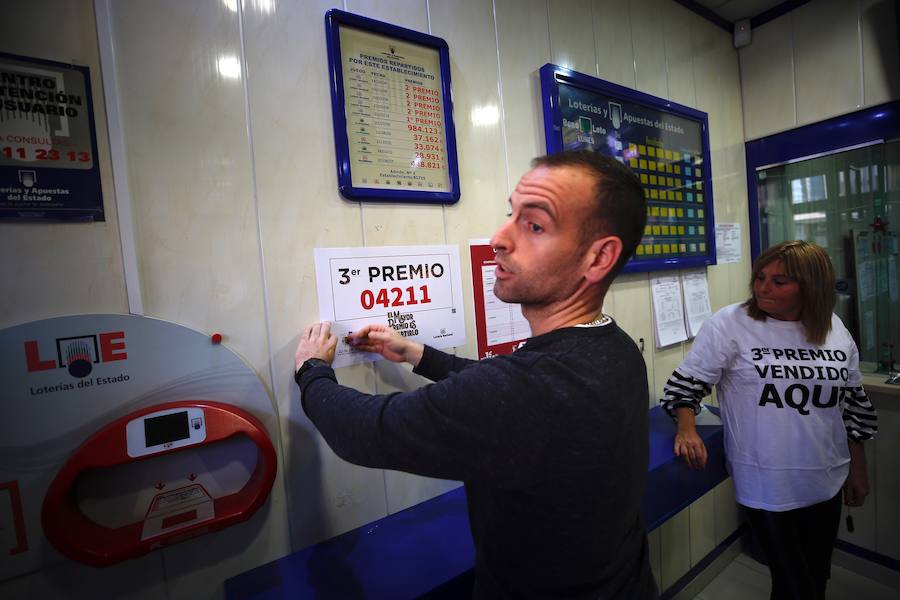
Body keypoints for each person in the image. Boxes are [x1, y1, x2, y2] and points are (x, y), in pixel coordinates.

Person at [294, 150, 658, 599]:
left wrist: (311, 371)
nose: (499, 238)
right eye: (512, 215)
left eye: (535, 225)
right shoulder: (613, 348)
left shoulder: (528, 390)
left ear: (599, 258)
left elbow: (364, 431)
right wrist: (417, 354)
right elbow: (506, 386)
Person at [660, 240, 878, 600]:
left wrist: (858, 470)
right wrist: (687, 429)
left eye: (780, 281)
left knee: (815, 577)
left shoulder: (834, 329)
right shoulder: (730, 323)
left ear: (811, 286)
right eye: (760, 277)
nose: (763, 287)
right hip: (766, 482)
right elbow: (685, 386)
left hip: (826, 478)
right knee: (793, 583)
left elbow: (851, 407)